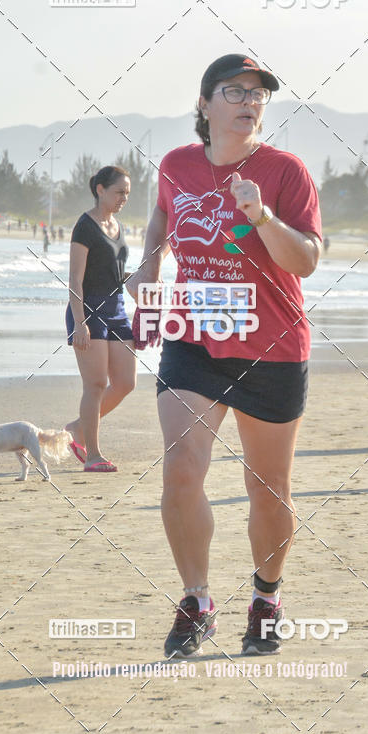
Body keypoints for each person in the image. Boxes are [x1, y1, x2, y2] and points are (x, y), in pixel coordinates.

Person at [126, 53, 322, 657]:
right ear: (206, 104)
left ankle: (266, 596)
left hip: (272, 346)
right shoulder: (177, 165)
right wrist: (148, 261)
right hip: (196, 336)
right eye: (234, 91)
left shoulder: (286, 171)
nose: (249, 102)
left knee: (268, 487)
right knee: (181, 466)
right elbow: (162, 211)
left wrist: (259, 214)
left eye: (259, 93)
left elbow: (306, 261)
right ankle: (197, 599)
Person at [65, 166, 136, 472]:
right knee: (95, 385)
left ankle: (77, 428)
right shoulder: (85, 226)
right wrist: (79, 322)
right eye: (119, 191)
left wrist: (142, 285)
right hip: (89, 310)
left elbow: (116, 275)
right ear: (100, 190)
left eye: (127, 193)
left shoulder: (118, 226)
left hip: (117, 310)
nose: (124, 198)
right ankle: (92, 454)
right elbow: (75, 280)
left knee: (125, 383)